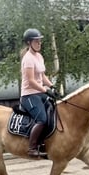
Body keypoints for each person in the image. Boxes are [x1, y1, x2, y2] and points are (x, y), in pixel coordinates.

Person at [20, 28, 58, 158]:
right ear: (29, 43)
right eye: (36, 41)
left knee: (54, 111)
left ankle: (45, 142)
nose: (39, 44)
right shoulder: (28, 59)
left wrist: (52, 86)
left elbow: (42, 77)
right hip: (29, 95)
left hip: (40, 92)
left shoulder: (39, 56)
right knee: (42, 119)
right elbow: (31, 81)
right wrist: (45, 90)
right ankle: (32, 148)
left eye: (40, 41)